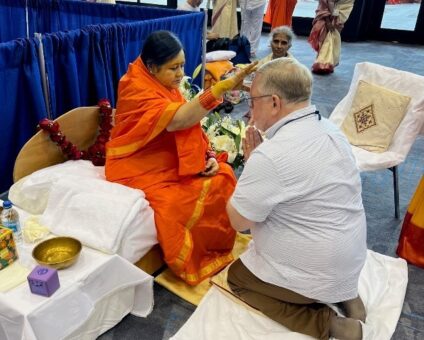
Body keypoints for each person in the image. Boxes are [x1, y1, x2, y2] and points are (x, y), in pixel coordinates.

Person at [225, 58, 367, 340]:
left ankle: (329, 324)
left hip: (316, 268)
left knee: (238, 278)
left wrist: (252, 166)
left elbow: (238, 221)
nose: (249, 109)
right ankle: (346, 295)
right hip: (351, 258)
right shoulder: (331, 130)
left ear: (275, 103)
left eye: (252, 101)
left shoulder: (272, 155)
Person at [105, 31, 256, 285]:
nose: (179, 73)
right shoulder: (135, 87)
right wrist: (218, 89)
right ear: (152, 68)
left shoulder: (163, 83)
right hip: (138, 166)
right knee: (174, 206)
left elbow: (188, 125)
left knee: (223, 175)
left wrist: (206, 154)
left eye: (182, 65)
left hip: (167, 160)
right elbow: (178, 121)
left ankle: (213, 248)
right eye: (173, 68)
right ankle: (195, 258)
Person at [308, 0, 355, 74]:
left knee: (332, 38)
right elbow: (329, 2)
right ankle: (323, 64)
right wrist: (329, 20)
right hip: (332, 15)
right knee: (329, 37)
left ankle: (327, 62)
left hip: (339, 13)